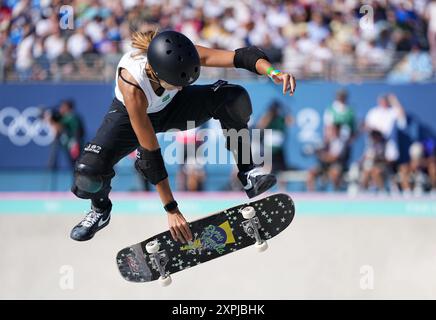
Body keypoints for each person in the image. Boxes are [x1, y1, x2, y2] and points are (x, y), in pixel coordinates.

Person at [69, 29, 296, 243]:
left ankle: (248, 172)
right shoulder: (132, 83)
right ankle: (100, 209)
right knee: (87, 172)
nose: (179, 87)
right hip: (128, 118)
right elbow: (151, 153)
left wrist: (272, 71)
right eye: (176, 84)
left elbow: (241, 57)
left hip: (173, 109)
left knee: (233, 97)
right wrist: (171, 209)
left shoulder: (180, 53)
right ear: (157, 73)